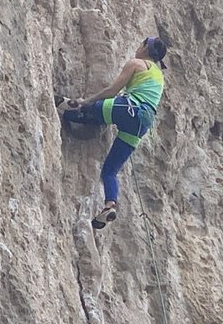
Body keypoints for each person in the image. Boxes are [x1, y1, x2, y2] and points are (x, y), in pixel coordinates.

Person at [57, 36, 168, 229]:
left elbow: (112, 90)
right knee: (110, 170)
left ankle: (72, 105)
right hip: (143, 123)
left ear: (145, 48)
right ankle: (110, 204)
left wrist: (88, 100)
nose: (137, 47)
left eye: (141, 44)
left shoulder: (137, 63)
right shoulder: (159, 76)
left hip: (129, 107)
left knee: (89, 110)